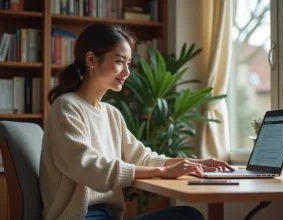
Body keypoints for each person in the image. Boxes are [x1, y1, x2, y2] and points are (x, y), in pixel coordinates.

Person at [39, 23, 234, 220]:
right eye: (119, 61)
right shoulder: (66, 107)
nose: (127, 72)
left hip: (107, 216)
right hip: (81, 217)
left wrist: (195, 163)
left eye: (128, 63)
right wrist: (163, 171)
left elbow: (142, 157)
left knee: (187, 215)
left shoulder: (111, 114)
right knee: (187, 217)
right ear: (91, 59)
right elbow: (91, 168)